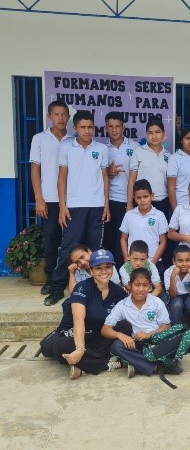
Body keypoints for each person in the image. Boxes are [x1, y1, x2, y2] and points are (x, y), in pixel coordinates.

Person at [45, 110, 110, 306]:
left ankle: (96, 288)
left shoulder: (101, 149)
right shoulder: (67, 147)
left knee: (94, 250)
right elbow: (62, 178)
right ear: (75, 128)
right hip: (73, 206)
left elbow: (105, 177)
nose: (87, 131)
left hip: (96, 206)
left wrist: (106, 204)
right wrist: (62, 206)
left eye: (90, 127)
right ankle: (57, 287)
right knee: (68, 248)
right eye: (83, 127)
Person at [51, 250, 130, 379]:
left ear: (112, 269)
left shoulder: (119, 292)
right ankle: (108, 363)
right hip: (84, 336)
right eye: (98, 268)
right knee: (60, 346)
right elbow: (78, 319)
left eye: (108, 267)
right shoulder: (82, 288)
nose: (104, 271)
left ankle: (83, 365)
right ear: (91, 271)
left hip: (104, 337)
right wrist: (80, 348)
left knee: (125, 326)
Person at [102, 268, 190, 379]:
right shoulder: (122, 305)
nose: (141, 289)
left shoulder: (156, 302)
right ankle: (157, 366)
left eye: (145, 285)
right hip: (137, 344)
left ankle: (137, 364)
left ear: (150, 286)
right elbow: (105, 329)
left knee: (184, 333)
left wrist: (149, 334)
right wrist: (120, 335)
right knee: (116, 346)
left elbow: (166, 325)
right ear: (130, 285)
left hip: (156, 341)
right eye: (137, 285)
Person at [29, 100, 70, 297]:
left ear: (69, 117)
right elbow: (34, 170)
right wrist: (39, 198)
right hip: (49, 199)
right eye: (56, 114)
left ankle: (69, 278)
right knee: (52, 240)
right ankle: (52, 280)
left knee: (70, 241)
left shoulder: (73, 140)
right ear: (49, 116)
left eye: (64, 114)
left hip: (72, 200)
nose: (60, 118)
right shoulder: (39, 139)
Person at [103, 112, 140, 269]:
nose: (114, 130)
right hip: (109, 201)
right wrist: (108, 172)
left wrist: (131, 202)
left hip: (129, 201)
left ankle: (123, 272)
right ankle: (109, 273)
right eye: (110, 126)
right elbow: (96, 175)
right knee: (109, 239)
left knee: (124, 239)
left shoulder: (135, 147)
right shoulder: (103, 148)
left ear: (123, 127)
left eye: (117, 126)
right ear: (106, 128)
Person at [120, 179, 168, 277]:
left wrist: (152, 263)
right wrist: (126, 259)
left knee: (156, 285)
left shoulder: (159, 215)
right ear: (134, 198)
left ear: (152, 196)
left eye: (145, 196)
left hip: (154, 261)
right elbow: (123, 239)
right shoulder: (129, 215)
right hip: (133, 263)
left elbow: (163, 241)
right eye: (139, 197)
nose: (142, 200)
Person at [127, 118, 171, 217]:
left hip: (162, 202)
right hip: (142, 202)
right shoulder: (138, 152)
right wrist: (129, 205)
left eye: (157, 132)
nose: (154, 136)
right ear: (146, 134)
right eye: (150, 133)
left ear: (163, 133)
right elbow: (131, 181)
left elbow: (170, 184)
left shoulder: (168, 156)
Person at [163, 245, 190, 334]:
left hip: (189, 296)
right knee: (177, 303)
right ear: (173, 261)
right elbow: (173, 294)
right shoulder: (168, 272)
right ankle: (176, 332)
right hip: (175, 296)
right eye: (180, 261)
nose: (184, 264)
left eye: (187, 260)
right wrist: (173, 276)